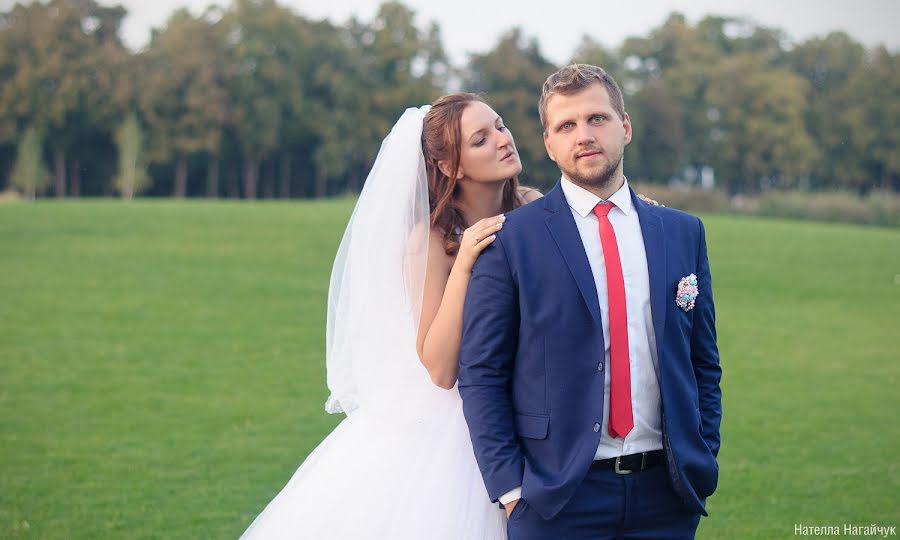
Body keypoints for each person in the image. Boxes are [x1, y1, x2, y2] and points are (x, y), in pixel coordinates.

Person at [238, 93, 536, 539]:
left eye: (499, 125)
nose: (501, 139)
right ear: (451, 167)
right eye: (480, 139)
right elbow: (438, 367)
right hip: (454, 428)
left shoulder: (532, 207)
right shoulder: (431, 239)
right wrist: (467, 261)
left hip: (528, 405)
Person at [458, 64, 722, 539]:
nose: (584, 135)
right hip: (556, 500)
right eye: (567, 126)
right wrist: (511, 490)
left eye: (597, 119)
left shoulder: (683, 233)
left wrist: (704, 452)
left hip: (668, 496)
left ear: (624, 126)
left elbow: (703, 361)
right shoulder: (513, 239)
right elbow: (480, 372)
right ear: (549, 144)